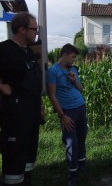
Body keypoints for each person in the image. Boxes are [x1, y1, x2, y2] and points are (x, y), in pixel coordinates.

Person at [0, 12, 44, 186]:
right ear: (22, 29)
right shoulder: (4, 49)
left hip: (31, 115)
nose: (36, 33)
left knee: (28, 156)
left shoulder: (29, 52)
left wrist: (39, 106)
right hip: (15, 117)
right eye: (34, 29)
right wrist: (1, 86)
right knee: (14, 157)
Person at [47, 44, 87, 186]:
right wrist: (62, 115)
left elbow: (81, 89)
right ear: (64, 55)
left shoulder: (73, 70)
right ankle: (72, 174)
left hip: (80, 107)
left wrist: (74, 80)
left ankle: (81, 169)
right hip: (67, 112)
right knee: (71, 143)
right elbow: (52, 95)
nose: (74, 60)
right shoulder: (53, 71)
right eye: (73, 57)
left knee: (81, 138)